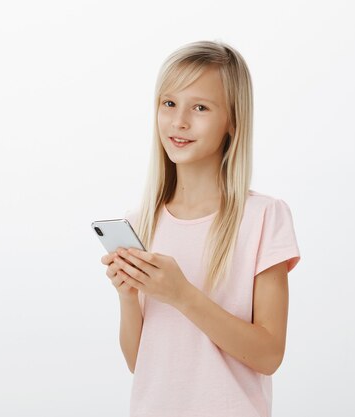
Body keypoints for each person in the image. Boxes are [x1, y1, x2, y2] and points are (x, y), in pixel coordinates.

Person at [100, 40, 301, 417]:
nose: (179, 122)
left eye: (201, 107)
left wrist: (182, 295)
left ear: (233, 122)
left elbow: (269, 355)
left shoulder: (263, 217)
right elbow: (138, 364)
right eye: (169, 103)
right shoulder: (140, 221)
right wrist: (128, 296)